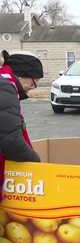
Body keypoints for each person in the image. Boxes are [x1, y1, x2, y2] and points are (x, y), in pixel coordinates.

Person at [0, 50, 42, 190]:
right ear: (23, 74)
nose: (33, 87)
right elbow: (11, 140)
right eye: (34, 82)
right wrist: (35, 162)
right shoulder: (5, 88)